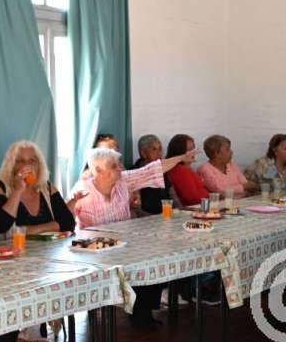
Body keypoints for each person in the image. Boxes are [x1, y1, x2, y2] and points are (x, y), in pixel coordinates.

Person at [0, 141, 77, 342]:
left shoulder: (46, 187)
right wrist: (18, 191)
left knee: (41, 287)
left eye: (31, 160)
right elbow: (1, 225)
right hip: (6, 257)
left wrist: (27, 230)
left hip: (42, 257)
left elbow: (67, 223)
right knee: (10, 294)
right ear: (11, 164)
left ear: (39, 163)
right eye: (20, 161)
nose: (26, 165)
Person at [71, 148, 170, 329]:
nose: (120, 169)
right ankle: (136, 312)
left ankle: (143, 311)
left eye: (118, 165)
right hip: (95, 250)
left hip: (124, 243)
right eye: (114, 166)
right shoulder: (82, 189)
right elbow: (66, 218)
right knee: (132, 262)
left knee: (152, 257)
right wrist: (72, 203)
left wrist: (180, 158)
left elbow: (150, 171)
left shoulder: (123, 183)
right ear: (99, 170)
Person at [162, 134, 207, 207]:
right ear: (179, 152)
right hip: (194, 209)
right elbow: (193, 198)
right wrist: (211, 198)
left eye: (193, 148)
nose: (194, 152)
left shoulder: (180, 168)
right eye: (189, 150)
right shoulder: (180, 170)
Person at [130, 134, 169, 215]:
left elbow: (172, 193)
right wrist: (154, 218)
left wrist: (180, 210)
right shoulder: (135, 172)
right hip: (146, 217)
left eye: (160, 149)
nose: (159, 153)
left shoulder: (161, 168)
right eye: (154, 149)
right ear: (143, 153)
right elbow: (136, 208)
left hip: (165, 214)